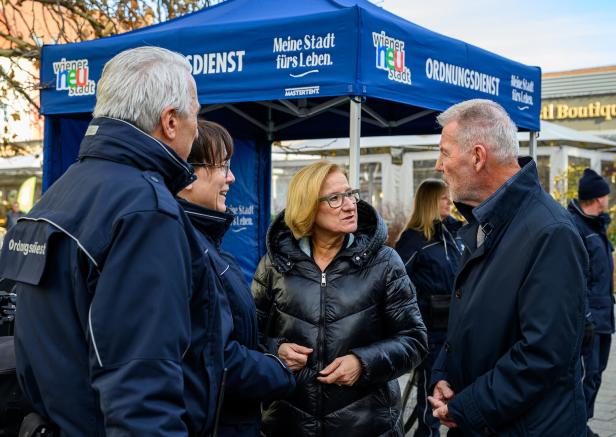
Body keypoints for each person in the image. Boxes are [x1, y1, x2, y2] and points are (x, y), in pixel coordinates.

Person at [0, 46, 226, 435]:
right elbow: (142, 386)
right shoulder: (144, 211)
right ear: (170, 121)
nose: (196, 125)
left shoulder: (61, 193)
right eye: (196, 114)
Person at [428, 99, 588, 436]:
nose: (438, 165)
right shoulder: (488, 221)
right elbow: (471, 324)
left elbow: (543, 355)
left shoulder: (549, 232)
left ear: (477, 156)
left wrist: (468, 406)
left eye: (444, 152)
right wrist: (443, 374)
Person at [251, 160, 428, 437]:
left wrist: (363, 362)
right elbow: (248, 336)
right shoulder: (274, 265)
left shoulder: (384, 262)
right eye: (334, 198)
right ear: (307, 207)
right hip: (288, 424)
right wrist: (275, 351)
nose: (349, 204)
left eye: (350, 193)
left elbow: (414, 340)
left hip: (368, 426)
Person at [177, 120, 295, 436]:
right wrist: (280, 371)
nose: (231, 177)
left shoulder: (206, 244)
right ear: (188, 176)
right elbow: (213, 358)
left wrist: (272, 350)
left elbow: (230, 335)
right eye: (223, 167)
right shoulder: (187, 248)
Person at [395, 179, 462, 437]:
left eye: (449, 196)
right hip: (430, 331)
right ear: (429, 202)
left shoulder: (456, 234)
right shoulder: (414, 240)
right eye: (443, 197)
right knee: (429, 396)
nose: (449, 201)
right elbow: (395, 281)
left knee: (455, 390)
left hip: (458, 327)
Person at [568, 168, 614, 437]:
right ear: (597, 198)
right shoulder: (577, 228)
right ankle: (577, 427)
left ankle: (582, 425)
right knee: (586, 375)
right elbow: (577, 280)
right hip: (589, 321)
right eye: (606, 195)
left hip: (604, 317)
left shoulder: (598, 225)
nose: (608, 199)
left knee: (596, 375)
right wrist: (585, 319)